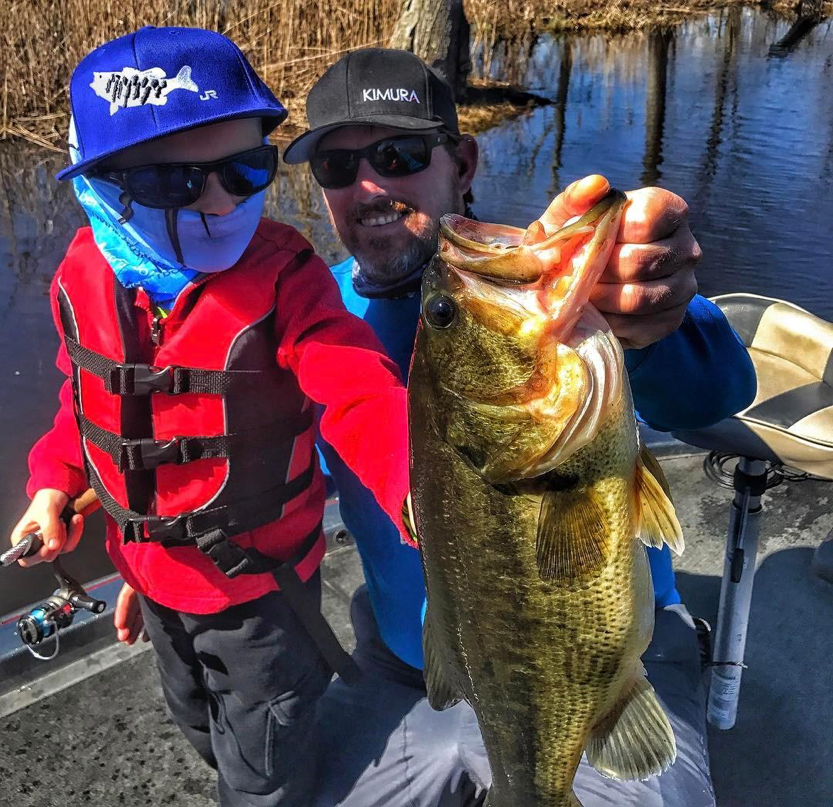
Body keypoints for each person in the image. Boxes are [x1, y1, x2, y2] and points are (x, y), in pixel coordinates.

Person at [279, 47, 757, 806]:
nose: (369, 185)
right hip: (411, 668)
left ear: (461, 161)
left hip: (600, 661)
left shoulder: (556, 296)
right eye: (338, 169)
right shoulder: (311, 317)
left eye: (398, 154)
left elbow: (717, 391)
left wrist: (652, 322)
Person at [8, 29, 415, 807]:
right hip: (151, 583)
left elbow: (358, 385)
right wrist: (52, 483)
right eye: (176, 182)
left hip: (259, 601)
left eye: (244, 167)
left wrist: (416, 485)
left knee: (265, 764)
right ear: (100, 185)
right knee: (196, 720)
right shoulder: (83, 275)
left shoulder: (285, 278)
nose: (222, 200)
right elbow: (81, 401)